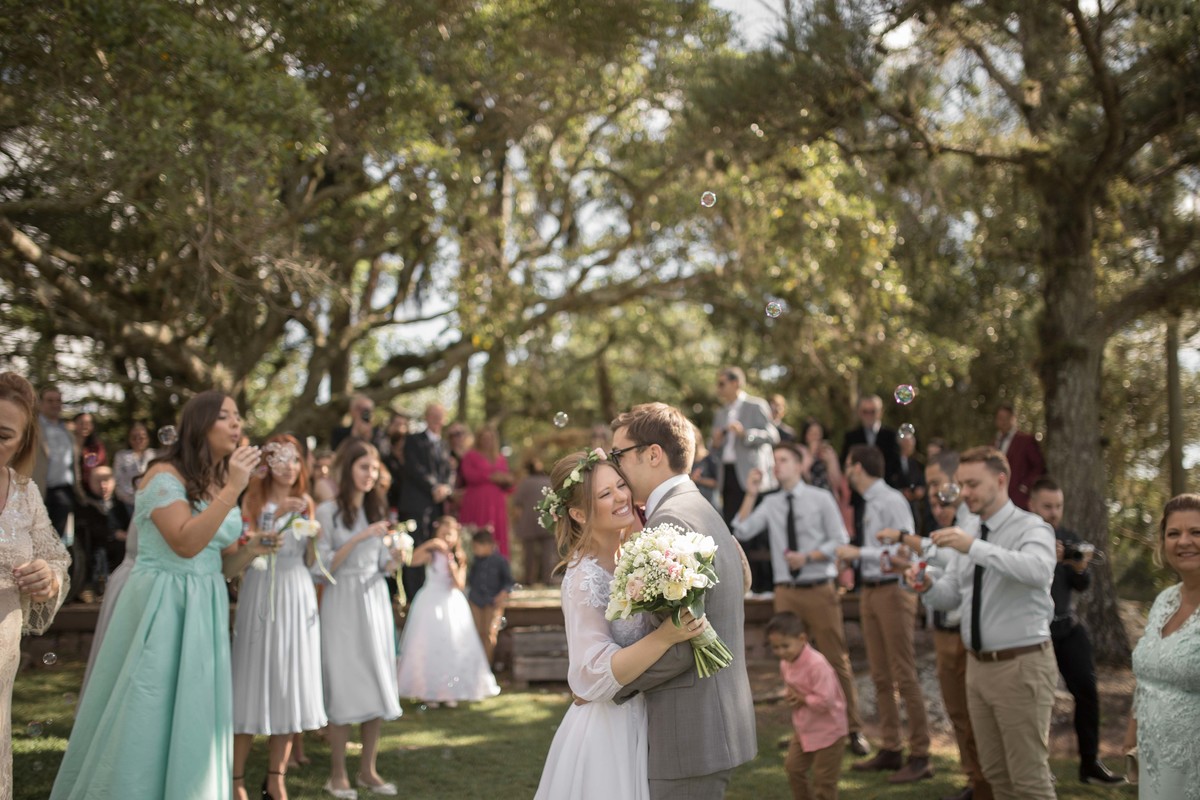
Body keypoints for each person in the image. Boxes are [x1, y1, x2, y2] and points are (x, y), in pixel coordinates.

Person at [52, 390, 259, 800]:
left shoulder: (216, 481)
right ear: (200, 425)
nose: (238, 425)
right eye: (226, 416)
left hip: (206, 603)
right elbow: (184, 543)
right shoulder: (163, 475)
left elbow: (218, 565)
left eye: (239, 417)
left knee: (195, 711)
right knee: (147, 710)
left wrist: (254, 550)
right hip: (164, 606)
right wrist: (234, 489)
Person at [533, 447, 709, 800]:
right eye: (604, 494)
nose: (620, 498)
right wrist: (664, 637)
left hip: (646, 715)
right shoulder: (583, 578)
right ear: (579, 513)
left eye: (620, 485)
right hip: (608, 731)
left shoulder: (631, 556)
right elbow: (593, 674)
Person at [610, 402, 757, 798]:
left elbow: (680, 643)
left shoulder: (669, 520)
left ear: (652, 454)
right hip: (711, 721)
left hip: (689, 728)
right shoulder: (700, 508)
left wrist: (610, 684)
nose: (614, 467)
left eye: (618, 455)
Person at [906, 446, 1057, 800]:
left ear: (1001, 480)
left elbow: (1037, 570)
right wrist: (927, 586)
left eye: (972, 484)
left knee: (1029, 780)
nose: (963, 493)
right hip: (977, 668)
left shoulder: (1030, 526)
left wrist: (973, 547)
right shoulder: (970, 529)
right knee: (994, 775)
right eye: (960, 484)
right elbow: (955, 596)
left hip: (1019, 666)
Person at [731, 442, 868, 757]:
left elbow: (839, 541)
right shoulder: (770, 502)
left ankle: (853, 729)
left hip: (819, 588)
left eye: (782, 460)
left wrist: (807, 558)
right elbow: (741, 529)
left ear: (799, 464)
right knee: (791, 663)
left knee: (835, 659)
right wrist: (751, 493)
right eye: (774, 460)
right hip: (786, 593)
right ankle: (802, 731)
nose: (776, 466)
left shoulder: (821, 499)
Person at [887, 450, 991, 800]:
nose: (931, 494)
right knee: (958, 715)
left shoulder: (972, 524)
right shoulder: (946, 526)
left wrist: (905, 539)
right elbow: (944, 576)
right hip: (944, 629)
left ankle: (986, 785)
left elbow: (954, 563)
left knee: (976, 717)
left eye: (935, 485)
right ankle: (974, 781)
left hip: (967, 634)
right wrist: (912, 573)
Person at [229, 435, 327, 800]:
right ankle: (236, 780)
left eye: (295, 459)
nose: (289, 466)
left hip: (297, 592)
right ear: (268, 463)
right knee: (252, 680)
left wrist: (314, 535)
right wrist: (276, 513)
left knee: (289, 685)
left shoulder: (307, 503)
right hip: (261, 589)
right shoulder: (252, 498)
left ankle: (275, 778)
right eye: (281, 459)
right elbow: (246, 543)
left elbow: (312, 562)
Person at [837, 445, 931, 783]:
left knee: (903, 673)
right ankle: (892, 748)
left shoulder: (892, 500)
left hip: (894, 591)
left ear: (857, 467)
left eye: (847, 465)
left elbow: (903, 550)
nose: (846, 471)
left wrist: (857, 552)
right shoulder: (870, 503)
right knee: (879, 675)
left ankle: (921, 754)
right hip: (871, 591)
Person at [315, 439, 403, 798]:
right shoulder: (327, 512)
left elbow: (382, 564)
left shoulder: (376, 508)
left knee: (375, 678)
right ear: (348, 468)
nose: (371, 474)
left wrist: (394, 558)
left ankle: (368, 769)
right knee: (344, 680)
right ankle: (337, 774)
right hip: (342, 601)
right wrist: (361, 537)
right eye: (363, 467)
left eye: (374, 468)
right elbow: (322, 568)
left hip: (374, 600)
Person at [0, 372, 71, 800]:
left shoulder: (25, 494)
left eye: (4, 435)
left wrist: (47, 576)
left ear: (23, 442)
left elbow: (57, 558)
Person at [1028, 476, 1122, 785]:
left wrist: (1080, 568)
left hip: (1066, 626)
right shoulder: (1023, 538)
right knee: (1036, 701)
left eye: (1058, 507)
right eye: (1047, 506)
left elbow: (1082, 585)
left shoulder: (1068, 538)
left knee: (1086, 688)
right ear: (1032, 505)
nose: (1054, 513)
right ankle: (1038, 768)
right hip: (1032, 633)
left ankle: (1090, 763)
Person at [1125, 493, 1200, 800]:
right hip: (1153, 757)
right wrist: (1133, 732)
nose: (1184, 541)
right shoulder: (1164, 601)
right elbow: (1146, 679)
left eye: (1196, 532)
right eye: (1174, 533)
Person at [396, 516, 501, 706]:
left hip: (451, 603)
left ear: (456, 537)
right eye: (441, 534)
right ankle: (428, 691)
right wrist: (430, 544)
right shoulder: (431, 554)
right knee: (428, 644)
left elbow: (459, 584)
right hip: (430, 602)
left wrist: (452, 565)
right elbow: (411, 561)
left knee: (453, 644)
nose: (445, 538)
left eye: (449, 534)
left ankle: (451, 690)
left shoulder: (459, 557)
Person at [712, 367, 779, 595]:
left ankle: (765, 585)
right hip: (728, 475)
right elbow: (716, 448)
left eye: (722, 383)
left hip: (751, 476)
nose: (718, 388)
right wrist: (717, 441)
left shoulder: (756, 405)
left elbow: (773, 435)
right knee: (734, 529)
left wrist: (745, 433)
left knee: (758, 531)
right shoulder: (720, 413)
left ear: (736, 383)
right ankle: (744, 585)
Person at [767, 612, 847, 800]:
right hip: (805, 728)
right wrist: (792, 697)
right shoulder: (786, 663)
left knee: (823, 781)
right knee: (793, 768)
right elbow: (793, 689)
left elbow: (826, 701)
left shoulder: (818, 665)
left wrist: (802, 699)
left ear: (802, 639)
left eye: (784, 646)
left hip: (830, 730)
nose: (780, 652)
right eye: (775, 647)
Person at [397, 403, 454, 601]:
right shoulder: (414, 440)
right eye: (433, 415)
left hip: (436, 508)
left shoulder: (444, 445)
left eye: (440, 416)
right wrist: (433, 487)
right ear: (427, 418)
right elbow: (414, 468)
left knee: (434, 546)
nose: (437, 420)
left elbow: (449, 472)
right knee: (416, 547)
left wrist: (446, 487)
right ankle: (413, 596)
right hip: (416, 505)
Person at [840, 394, 901, 544]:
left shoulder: (891, 435)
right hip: (859, 498)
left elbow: (896, 465)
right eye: (865, 411)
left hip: (884, 491)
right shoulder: (851, 436)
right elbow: (843, 463)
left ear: (880, 412)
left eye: (872, 411)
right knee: (863, 536)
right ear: (859, 413)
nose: (869, 415)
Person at [457, 425, 515, 556]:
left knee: (497, 533)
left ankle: (498, 566)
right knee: (478, 531)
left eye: (490, 438)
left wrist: (506, 479)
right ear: (478, 439)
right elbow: (468, 475)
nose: (487, 441)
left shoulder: (500, 458)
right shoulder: (470, 455)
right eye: (484, 438)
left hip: (497, 504)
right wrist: (490, 476)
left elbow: (508, 482)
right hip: (477, 501)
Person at [33, 385, 75, 541]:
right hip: (38, 489)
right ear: (40, 403)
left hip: (64, 491)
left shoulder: (67, 430)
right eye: (50, 400)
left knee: (57, 539)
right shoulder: (32, 427)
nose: (54, 404)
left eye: (58, 401)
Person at [467, 527, 514, 665]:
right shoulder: (474, 561)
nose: (474, 549)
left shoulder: (500, 561)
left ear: (488, 545)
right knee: (476, 632)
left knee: (489, 633)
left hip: (493, 602)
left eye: (476, 546)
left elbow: (509, 582)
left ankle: (486, 665)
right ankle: (475, 664)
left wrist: (502, 594)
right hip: (475, 600)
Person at [510, 458, 555, 585]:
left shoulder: (524, 483)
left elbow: (518, 507)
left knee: (528, 553)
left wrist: (515, 522)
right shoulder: (548, 481)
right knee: (548, 552)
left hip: (528, 521)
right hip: (548, 521)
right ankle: (548, 578)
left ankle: (529, 579)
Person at [992, 403, 1044, 510]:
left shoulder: (1025, 441)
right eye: (1000, 418)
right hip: (998, 496)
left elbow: (1039, 466)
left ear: (1013, 419)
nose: (1002, 422)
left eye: (1006, 418)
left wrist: (1025, 487)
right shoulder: (994, 443)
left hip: (1018, 498)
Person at [112, 421, 156, 518]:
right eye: (134, 437)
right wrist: (128, 498)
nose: (138, 440)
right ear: (129, 439)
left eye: (142, 437)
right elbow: (116, 480)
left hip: (151, 503)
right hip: (127, 503)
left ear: (148, 438)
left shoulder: (154, 455)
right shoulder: (121, 456)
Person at [893, 431, 927, 533]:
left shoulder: (917, 463)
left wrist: (920, 490)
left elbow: (922, 481)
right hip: (897, 504)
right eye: (906, 442)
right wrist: (902, 492)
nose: (910, 445)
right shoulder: (892, 462)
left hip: (914, 505)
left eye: (911, 442)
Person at [73, 411, 106, 488]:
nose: (85, 426)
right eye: (81, 423)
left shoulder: (96, 446)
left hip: (91, 485)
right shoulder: (68, 443)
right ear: (74, 424)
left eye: (88, 423)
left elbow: (97, 465)